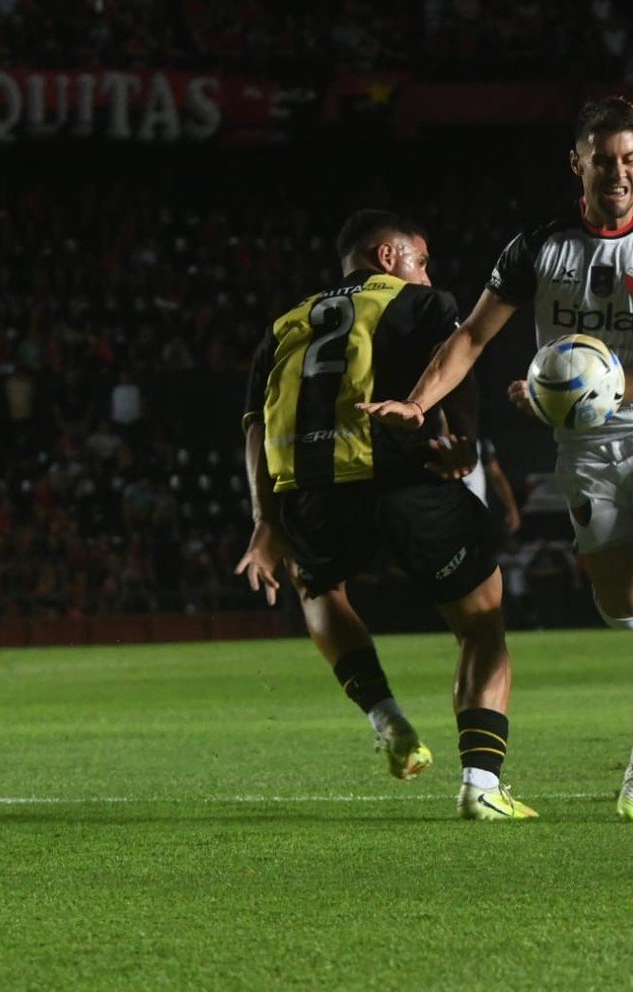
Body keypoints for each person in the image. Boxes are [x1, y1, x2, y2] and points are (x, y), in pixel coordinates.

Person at [360, 96, 633, 823]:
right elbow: (469, 336)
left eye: (630, 159)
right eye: (603, 158)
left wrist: (572, 392)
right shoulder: (537, 245)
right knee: (621, 606)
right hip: (586, 446)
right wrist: (419, 401)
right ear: (576, 162)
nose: (617, 172)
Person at [234, 209, 537, 820]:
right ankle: (481, 784)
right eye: (420, 260)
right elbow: (460, 357)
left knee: (317, 588)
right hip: (403, 482)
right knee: (482, 623)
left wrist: (265, 519)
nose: (426, 274)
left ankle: (388, 719)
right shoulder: (419, 303)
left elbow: (253, 428)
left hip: (310, 497)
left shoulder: (285, 323)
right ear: (387, 257)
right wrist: (463, 439)